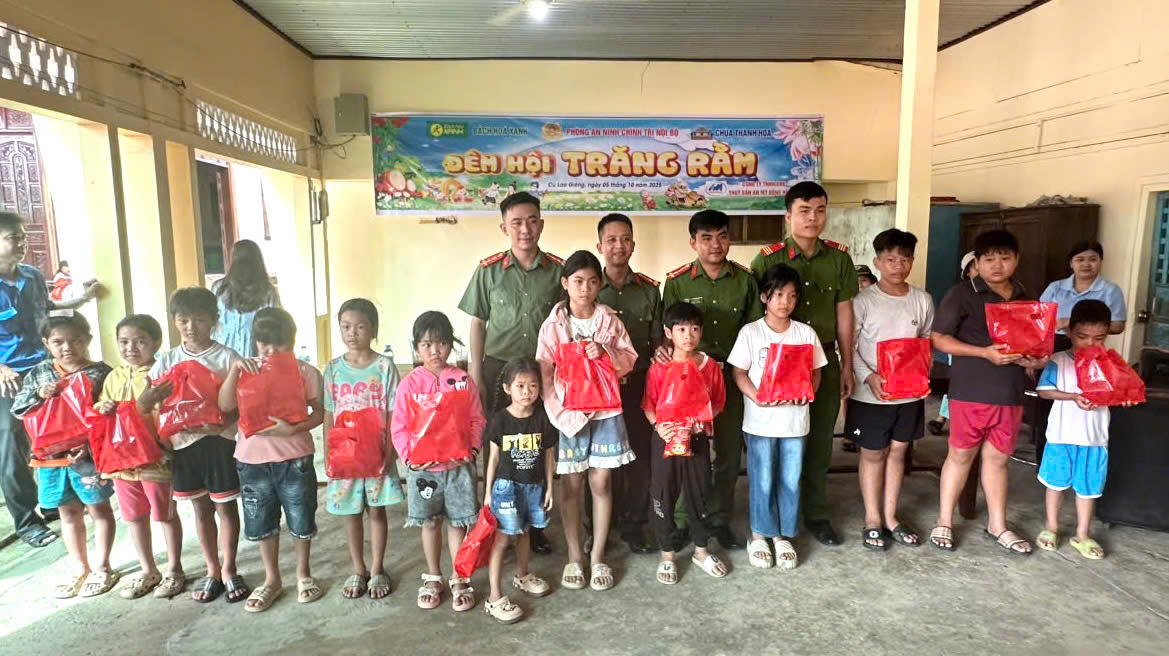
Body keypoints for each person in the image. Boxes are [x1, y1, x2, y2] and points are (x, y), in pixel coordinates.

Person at [750, 181, 857, 547]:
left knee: (819, 440)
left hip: (822, 359)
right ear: (788, 215)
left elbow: (845, 313)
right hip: (776, 363)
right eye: (804, 211)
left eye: (820, 210)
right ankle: (773, 516)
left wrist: (846, 364)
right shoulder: (767, 259)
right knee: (776, 441)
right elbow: (755, 316)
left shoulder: (839, 259)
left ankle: (816, 513)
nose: (813, 218)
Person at [929, 230, 1046, 555]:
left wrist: (1035, 359)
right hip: (971, 391)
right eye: (989, 259)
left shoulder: (1026, 296)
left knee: (997, 461)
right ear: (977, 263)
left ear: (1016, 260)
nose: (997, 265)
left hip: (1010, 393)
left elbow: (1036, 344)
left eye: (1005, 258)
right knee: (960, 456)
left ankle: (998, 525)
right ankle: (944, 520)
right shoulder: (962, 294)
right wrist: (983, 353)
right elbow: (939, 338)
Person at [458, 191, 563, 553]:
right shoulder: (488, 271)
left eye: (532, 221)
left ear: (541, 224)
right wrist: (475, 374)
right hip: (498, 370)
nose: (525, 229)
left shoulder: (558, 272)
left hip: (541, 372)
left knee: (537, 445)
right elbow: (477, 322)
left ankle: (535, 524)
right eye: (516, 222)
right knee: (500, 445)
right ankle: (497, 521)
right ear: (504, 227)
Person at [536, 250, 638, 592]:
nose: (585, 289)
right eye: (578, 281)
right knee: (572, 484)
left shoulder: (610, 321)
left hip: (605, 412)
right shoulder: (553, 326)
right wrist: (560, 413)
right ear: (565, 283)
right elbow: (544, 373)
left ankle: (597, 556)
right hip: (569, 415)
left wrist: (605, 353)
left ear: (600, 285)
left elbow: (629, 358)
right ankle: (574, 556)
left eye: (593, 282)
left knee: (602, 482)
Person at [661, 209, 762, 550]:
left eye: (722, 236)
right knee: (683, 448)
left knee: (729, 452)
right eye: (706, 238)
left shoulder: (745, 280)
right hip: (688, 381)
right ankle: (683, 519)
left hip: (732, 377)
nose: (715, 245)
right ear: (693, 243)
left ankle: (719, 518)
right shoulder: (678, 282)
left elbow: (755, 331)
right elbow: (668, 333)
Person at [0, 212, 101, 548]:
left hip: (45, 370)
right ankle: (27, 522)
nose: (21, 243)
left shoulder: (30, 275)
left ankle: (54, 501)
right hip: (9, 380)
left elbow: (49, 308)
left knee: (55, 437)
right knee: (12, 450)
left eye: (22, 236)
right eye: (12, 237)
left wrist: (83, 298)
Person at [143, 287, 249, 602]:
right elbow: (147, 403)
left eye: (200, 320)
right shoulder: (167, 361)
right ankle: (212, 570)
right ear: (175, 321)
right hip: (182, 445)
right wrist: (150, 399)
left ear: (214, 320)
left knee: (226, 506)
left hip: (219, 442)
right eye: (183, 320)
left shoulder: (228, 357)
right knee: (200, 508)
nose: (191, 327)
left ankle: (229, 569)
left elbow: (244, 403)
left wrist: (223, 424)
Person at [219, 308, 324, 611]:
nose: (272, 350)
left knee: (301, 519)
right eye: (264, 343)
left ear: (292, 342)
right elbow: (224, 405)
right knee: (263, 522)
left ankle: (303, 574)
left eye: (280, 344)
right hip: (252, 461)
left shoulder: (305, 371)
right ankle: (272, 579)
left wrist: (294, 428)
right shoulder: (246, 369)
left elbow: (319, 412)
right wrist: (234, 371)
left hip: (295, 458)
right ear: (255, 342)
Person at [729, 265, 828, 570]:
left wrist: (807, 393)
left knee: (790, 479)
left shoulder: (805, 333)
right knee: (762, 479)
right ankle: (759, 534)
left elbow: (816, 372)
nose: (785, 302)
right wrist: (756, 395)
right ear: (764, 297)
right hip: (760, 422)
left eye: (792, 296)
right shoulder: (751, 332)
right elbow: (739, 372)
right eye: (779, 294)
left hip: (794, 422)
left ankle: (782, 535)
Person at [12, 314, 114, 598]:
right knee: (67, 513)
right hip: (50, 460)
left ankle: (103, 567)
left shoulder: (100, 373)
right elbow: (18, 409)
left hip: (88, 457)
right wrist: (38, 395)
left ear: (88, 340)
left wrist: (90, 445)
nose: (67, 347)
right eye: (58, 342)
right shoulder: (39, 373)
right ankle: (80, 568)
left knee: (99, 509)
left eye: (75, 340)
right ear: (46, 343)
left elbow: (111, 415)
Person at [391, 311, 486, 612]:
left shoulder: (463, 380)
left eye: (442, 343)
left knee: (458, 523)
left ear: (450, 344)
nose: (435, 351)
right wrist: (409, 458)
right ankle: (433, 577)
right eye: (427, 344)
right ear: (417, 347)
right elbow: (399, 426)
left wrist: (473, 450)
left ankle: (459, 577)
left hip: (459, 468)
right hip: (423, 472)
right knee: (430, 523)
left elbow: (477, 418)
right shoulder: (409, 385)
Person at [847, 229, 934, 550]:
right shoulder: (863, 302)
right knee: (873, 453)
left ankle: (891, 516)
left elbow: (926, 342)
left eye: (905, 259)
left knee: (898, 452)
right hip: (872, 393)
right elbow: (849, 346)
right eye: (890, 260)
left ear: (913, 261)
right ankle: (872, 518)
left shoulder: (922, 300)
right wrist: (868, 376)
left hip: (909, 394)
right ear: (877, 262)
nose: (898, 266)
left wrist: (922, 376)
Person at [94, 314, 185, 600]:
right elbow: (102, 411)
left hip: (154, 457)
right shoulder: (114, 376)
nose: (131, 348)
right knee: (134, 517)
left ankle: (174, 569)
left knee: (165, 515)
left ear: (156, 342)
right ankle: (149, 570)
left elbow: (168, 414)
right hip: (122, 461)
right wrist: (102, 407)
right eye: (124, 342)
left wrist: (142, 407)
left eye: (140, 341)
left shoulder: (162, 374)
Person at [322, 298, 403, 601]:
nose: (352, 333)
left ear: (373, 329)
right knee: (350, 513)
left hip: (376, 454)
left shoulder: (384, 367)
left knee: (377, 511)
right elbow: (329, 413)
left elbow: (394, 412)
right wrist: (328, 454)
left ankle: (378, 568)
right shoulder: (332, 369)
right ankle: (358, 568)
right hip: (344, 455)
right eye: (346, 327)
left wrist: (390, 450)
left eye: (359, 327)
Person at [642, 302, 729, 584]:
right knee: (663, 493)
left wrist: (703, 421)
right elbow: (649, 404)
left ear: (701, 331)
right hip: (665, 440)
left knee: (699, 492)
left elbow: (718, 401)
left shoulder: (709, 366)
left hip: (697, 439)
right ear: (668, 332)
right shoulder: (659, 368)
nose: (688, 335)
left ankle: (701, 550)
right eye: (681, 329)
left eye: (694, 329)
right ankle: (667, 554)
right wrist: (659, 427)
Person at [1035, 300, 1125, 560]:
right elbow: (1044, 391)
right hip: (1061, 436)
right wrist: (1073, 397)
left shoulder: (1110, 364)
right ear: (1070, 332)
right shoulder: (1058, 360)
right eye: (1082, 336)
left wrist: (1124, 398)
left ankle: (1082, 534)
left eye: (1099, 338)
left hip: (1094, 439)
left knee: (1088, 488)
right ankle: (1051, 527)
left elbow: (1120, 393)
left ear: (1107, 335)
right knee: (1055, 484)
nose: (1090, 343)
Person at [595, 212, 661, 554]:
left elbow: (658, 343)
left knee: (639, 456)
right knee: (600, 460)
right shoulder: (589, 288)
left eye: (625, 240)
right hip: (598, 389)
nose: (618, 246)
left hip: (638, 385)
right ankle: (599, 529)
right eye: (611, 240)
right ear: (600, 246)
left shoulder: (649, 290)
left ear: (633, 245)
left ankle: (635, 525)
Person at [482, 357, 556, 623]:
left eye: (533, 385)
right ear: (507, 388)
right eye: (520, 386)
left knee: (525, 531)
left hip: (534, 486)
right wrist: (488, 493)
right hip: (506, 489)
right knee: (503, 538)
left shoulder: (542, 418)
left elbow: (549, 455)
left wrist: (549, 487)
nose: (527, 392)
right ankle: (494, 597)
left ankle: (522, 575)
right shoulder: (500, 420)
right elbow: (492, 459)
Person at [1040, 240, 1126, 352]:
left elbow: (1118, 326)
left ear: (1101, 262)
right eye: (1080, 260)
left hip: (1089, 344)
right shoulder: (1055, 287)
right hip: (1053, 342)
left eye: (1093, 259)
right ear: (1071, 263)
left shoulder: (1110, 290)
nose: (1086, 264)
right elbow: (1039, 317)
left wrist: (1079, 325)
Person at [929, 252, 977, 436]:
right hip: (959, 349)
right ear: (967, 272)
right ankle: (946, 418)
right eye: (975, 266)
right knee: (957, 385)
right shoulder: (960, 294)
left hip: (987, 356)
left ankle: (942, 418)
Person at [213, 239, 281, 358]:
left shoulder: (219, 288)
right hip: (253, 358)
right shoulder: (268, 291)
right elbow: (276, 327)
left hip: (224, 358)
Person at [842, 264, 878, 453]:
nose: (860, 285)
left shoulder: (878, 303)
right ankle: (850, 433)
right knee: (849, 395)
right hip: (850, 356)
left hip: (872, 360)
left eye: (864, 280)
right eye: (856, 282)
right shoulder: (845, 304)